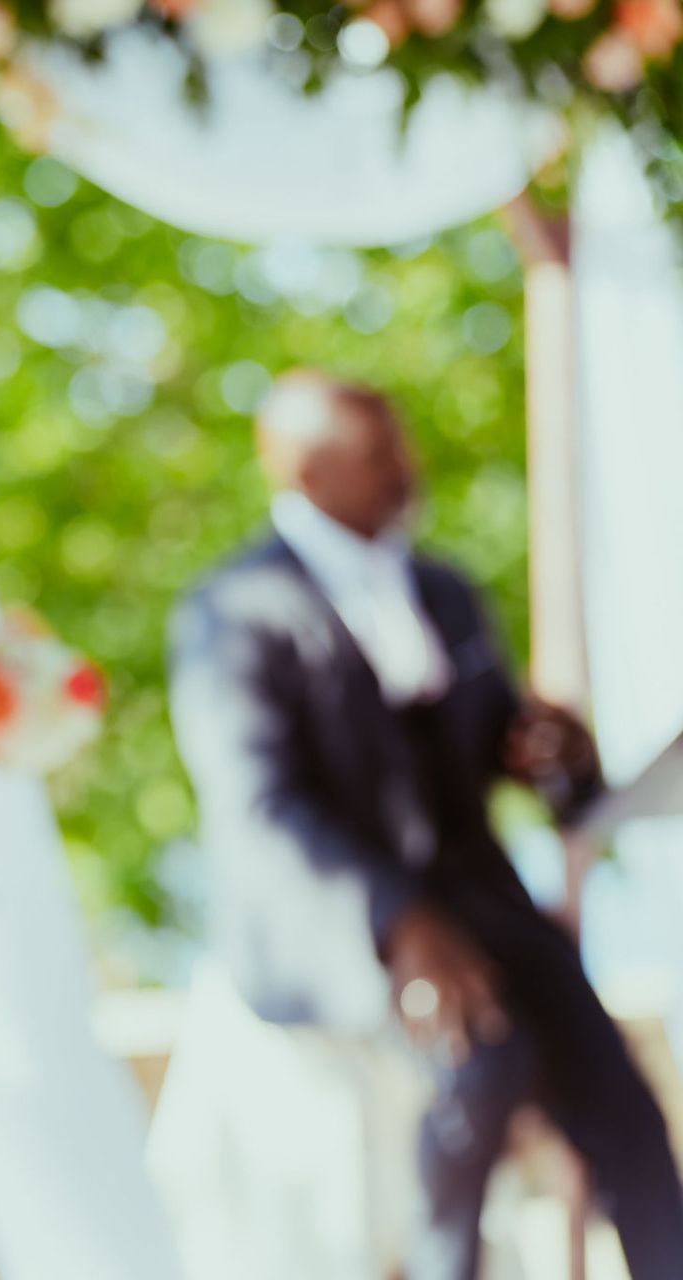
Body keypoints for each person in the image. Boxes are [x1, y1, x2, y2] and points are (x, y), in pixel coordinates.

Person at [168, 369, 683, 1280]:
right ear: (305, 472)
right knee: (478, 1073)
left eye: (400, 444)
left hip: (483, 900)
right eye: (378, 454)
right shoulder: (232, 610)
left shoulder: (443, 590)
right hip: (345, 921)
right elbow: (262, 806)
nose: (407, 468)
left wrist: (551, 752)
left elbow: (500, 750)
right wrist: (399, 920)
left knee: (621, 1102)